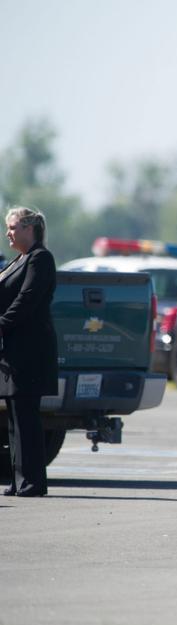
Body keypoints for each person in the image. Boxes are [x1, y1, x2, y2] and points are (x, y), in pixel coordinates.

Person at [1, 208, 58, 497]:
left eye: (12, 227)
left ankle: (33, 481)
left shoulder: (40, 258)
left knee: (26, 417)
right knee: (14, 417)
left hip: (30, 351)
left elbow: (28, 298)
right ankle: (18, 479)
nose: (8, 233)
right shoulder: (19, 259)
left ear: (29, 228)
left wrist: (1, 324)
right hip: (13, 352)